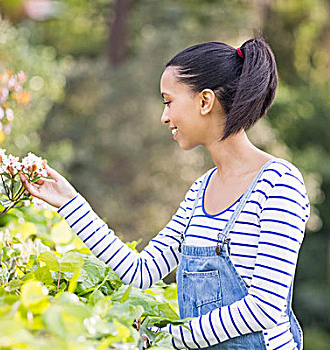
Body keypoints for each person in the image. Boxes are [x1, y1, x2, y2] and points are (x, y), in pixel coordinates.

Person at [20, 37, 309, 350]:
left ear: (205, 101)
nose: (165, 116)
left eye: (168, 101)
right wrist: (70, 202)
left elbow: (264, 308)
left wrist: (169, 339)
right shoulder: (200, 191)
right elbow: (141, 271)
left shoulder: (279, 184)